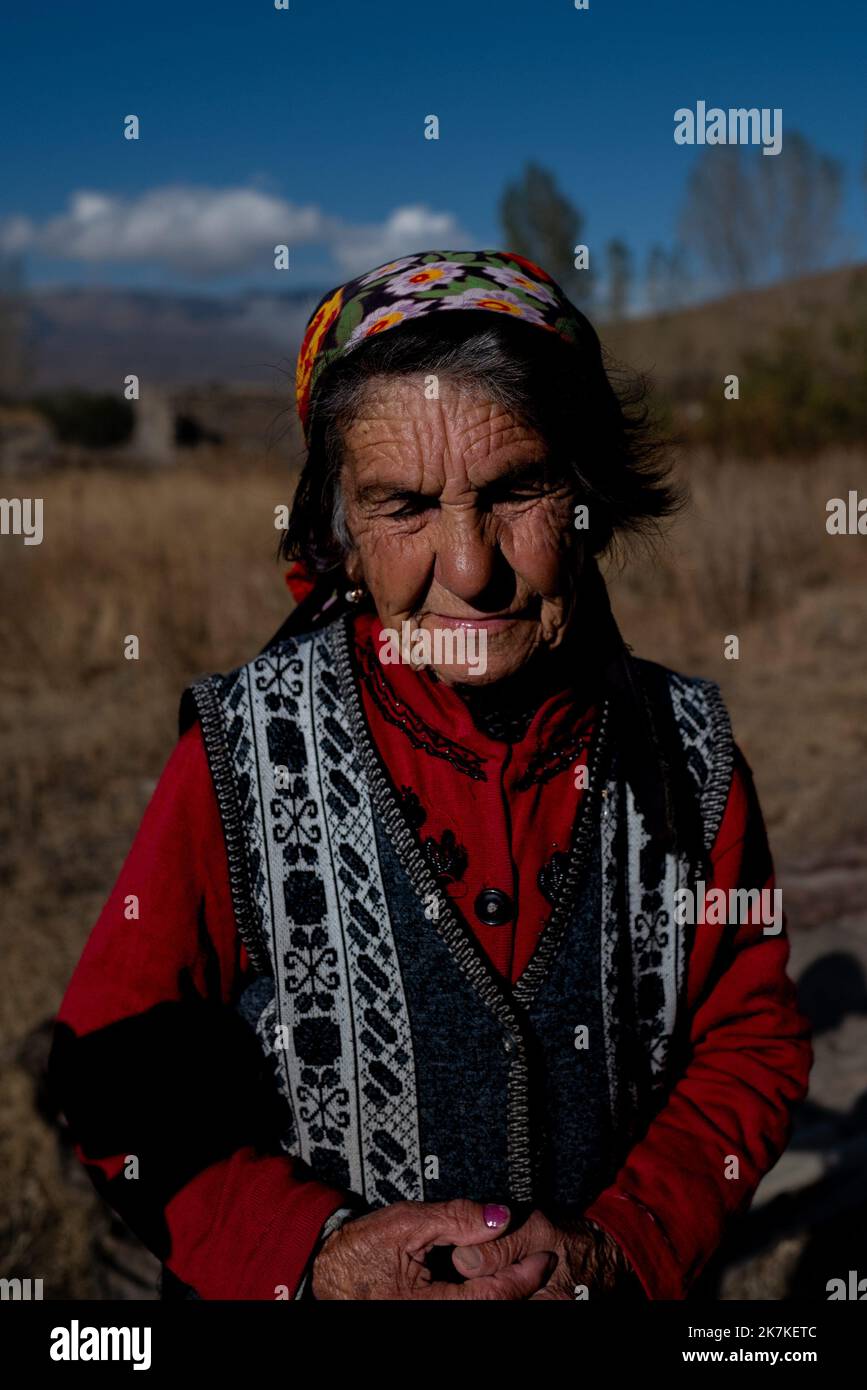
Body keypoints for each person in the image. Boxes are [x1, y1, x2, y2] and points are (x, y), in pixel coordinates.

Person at [49, 249, 812, 1301]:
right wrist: (311, 1256)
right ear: (343, 538)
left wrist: (629, 1243)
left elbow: (751, 1034)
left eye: (519, 490)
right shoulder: (238, 754)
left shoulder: (689, 752)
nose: (468, 568)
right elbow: (112, 1078)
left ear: (587, 497)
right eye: (403, 506)